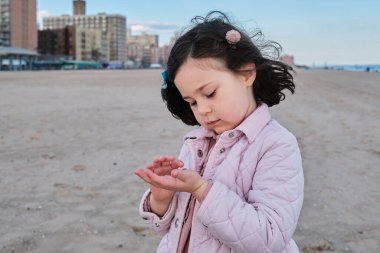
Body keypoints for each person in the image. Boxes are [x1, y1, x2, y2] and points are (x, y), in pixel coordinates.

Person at [134, 11, 304, 253]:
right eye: (191, 102)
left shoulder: (276, 144)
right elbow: (168, 229)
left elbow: (269, 238)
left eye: (210, 93)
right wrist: (162, 199)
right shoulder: (196, 140)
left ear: (246, 74)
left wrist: (202, 190)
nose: (202, 110)